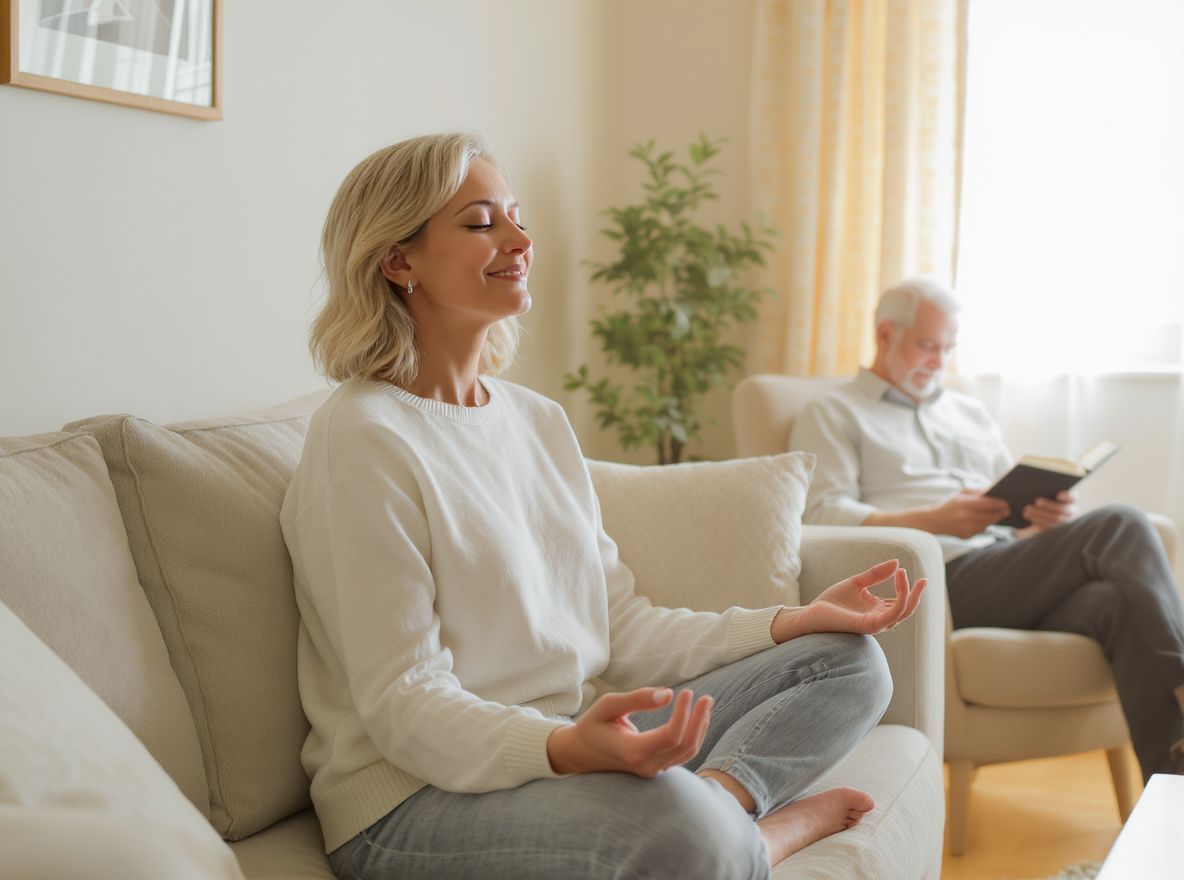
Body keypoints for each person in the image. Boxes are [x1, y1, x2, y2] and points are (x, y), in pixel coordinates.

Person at [278, 133, 927, 880]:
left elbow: (618, 624)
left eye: (516, 217)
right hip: (413, 799)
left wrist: (791, 622)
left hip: (564, 737)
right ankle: (754, 836)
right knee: (678, 828)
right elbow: (404, 700)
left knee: (848, 664)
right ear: (399, 261)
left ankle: (727, 808)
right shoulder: (362, 438)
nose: (521, 240)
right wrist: (561, 751)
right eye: (481, 222)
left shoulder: (536, 420)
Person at [790, 276, 1184, 781]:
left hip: (1004, 567)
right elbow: (819, 514)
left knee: (1115, 600)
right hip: (941, 582)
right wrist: (931, 520)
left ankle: (1170, 780)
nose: (939, 361)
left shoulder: (967, 411)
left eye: (949, 348)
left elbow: (1005, 502)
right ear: (886, 335)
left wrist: (1041, 522)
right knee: (1121, 523)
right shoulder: (834, 412)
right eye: (928, 346)